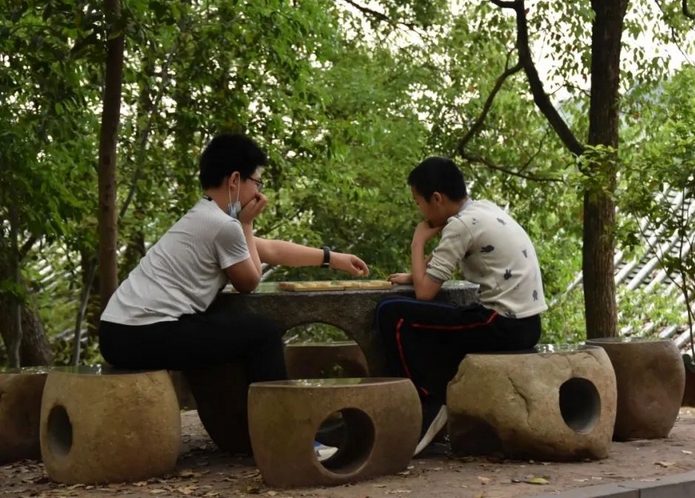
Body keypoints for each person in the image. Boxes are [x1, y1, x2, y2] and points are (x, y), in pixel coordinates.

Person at [99, 133, 369, 386]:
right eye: (257, 183)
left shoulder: (206, 217)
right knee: (262, 333)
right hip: (140, 333)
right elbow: (249, 281)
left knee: (232, 327)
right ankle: (276, 417)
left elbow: (269, 249)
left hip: (118, 331)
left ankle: (239, 416)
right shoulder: (223, 225)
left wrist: (332, 258)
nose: (259, 193)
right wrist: (246, 224)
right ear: (235, 180)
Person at [376, 156, 546, 454]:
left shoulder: (461, 225)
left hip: (500, 324)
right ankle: (436, 398)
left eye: (418, 202)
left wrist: (417, 242)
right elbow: (442, 261)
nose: (420, 211)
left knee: (391, 313)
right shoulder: (483, 209)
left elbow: (425, 293)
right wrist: (416, 274)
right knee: (429, 318)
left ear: (436, 198)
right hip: (526, 324)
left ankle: (425, 405)